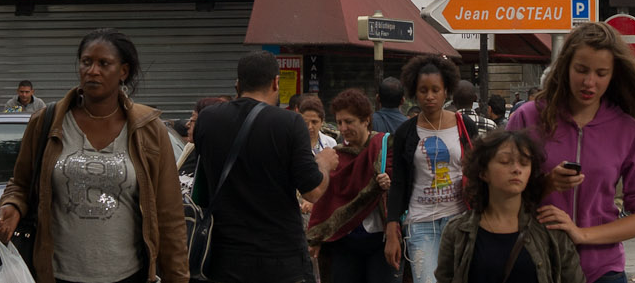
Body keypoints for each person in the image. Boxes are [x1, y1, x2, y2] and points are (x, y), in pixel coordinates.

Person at [0, 28, 187, 283]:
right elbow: (20, 183)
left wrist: (178, 277)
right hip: (57, 275)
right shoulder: (46, 122)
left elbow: (170, 215)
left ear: (123, 71)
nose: (92, 70)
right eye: (86, 62)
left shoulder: (148, 130)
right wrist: (11, 207)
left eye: (104, 63)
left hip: (129, 276)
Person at [507, 21, 635, 283]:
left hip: (603, 271)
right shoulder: (527, 117)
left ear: (613, 75)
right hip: (535, 264)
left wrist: (582, 234)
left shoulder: (627, 130)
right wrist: (546, 185)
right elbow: (497, 194)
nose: (589, 82)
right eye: (581, 70)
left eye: (601, 73)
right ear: (565, 67)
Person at [190, 50, 336, 283]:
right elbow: (313, 191)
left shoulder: (208, 119)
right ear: (276, 82)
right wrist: (324, 163)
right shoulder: (289, 123)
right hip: (280, 258)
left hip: (223, 255)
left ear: (238, 84)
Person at [436, 129, 583, 283]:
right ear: (483, 172)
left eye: (524, 163)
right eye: (505, 161)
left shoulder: (550, 228)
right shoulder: (458, 231)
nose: (516, 169)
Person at [385, 55, 476, 283]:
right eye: (423, 90)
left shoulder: (465, 126)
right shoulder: (405, 132)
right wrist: (391, 227)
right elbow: (398, 183)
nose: (430, 96)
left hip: (460, 220)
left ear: (447, 91)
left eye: (436, 89)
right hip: (420, 223)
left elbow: (479, 169)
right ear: (415, 92)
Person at [306, 88, 396, 283]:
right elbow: (326, 201)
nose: (343, 128)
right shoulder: (337, 156)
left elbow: (401, 188)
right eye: (339, 122)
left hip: (380, 242)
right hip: (344, 243)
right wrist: (317, 236)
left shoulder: (384, 147)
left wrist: (388, 184)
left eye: (349, 121)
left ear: (366, 120)